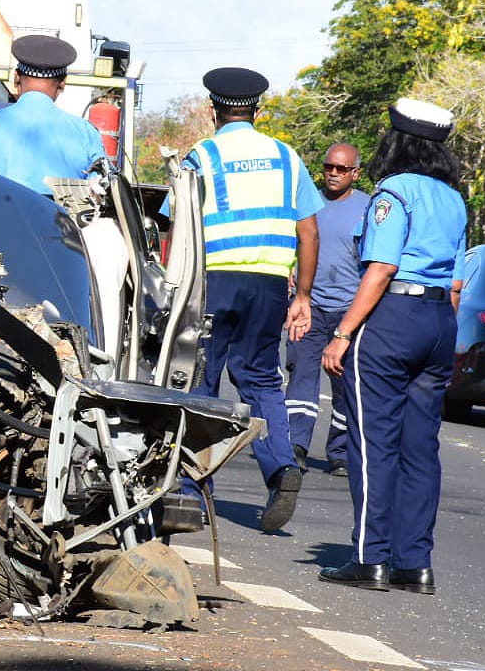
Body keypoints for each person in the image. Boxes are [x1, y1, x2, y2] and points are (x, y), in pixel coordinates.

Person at [317, 98, 466, 595]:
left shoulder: (394, 192)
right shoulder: (454, 198)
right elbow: (456, 284)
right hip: (438, 320)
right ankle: (415, 564)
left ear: (397, 142)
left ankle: (370, 558)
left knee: (372, 442)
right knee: (421, 448)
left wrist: (342, 333)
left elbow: (381, 268)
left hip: (393, 319)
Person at [168, 67, 324, 532]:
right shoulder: (286, 157)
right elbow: (309, 231)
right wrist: (303, 295)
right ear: (257, 110)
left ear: (212, 110)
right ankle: (282, 467)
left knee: (202, 380)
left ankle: (193, 492)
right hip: (270, 283)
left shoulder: (202, 155)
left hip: (213, 281)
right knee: (260, 378)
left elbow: (177, 224)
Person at [285, 143, 370, 477]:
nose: (334, 173)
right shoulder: (306, 203)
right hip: (309, 307)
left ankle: (340, 453)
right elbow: (290, 244)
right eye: (329, 167)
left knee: (345, 384)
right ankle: (295, 446)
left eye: (342, 169)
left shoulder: (368, 208)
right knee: (301, 376)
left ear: (356, 173)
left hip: (349, 313)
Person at [0, 34, 104, 196]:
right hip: (56, 213)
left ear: (16, 77)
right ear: (62, 83)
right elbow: (100, 188)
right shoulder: (86, 134)